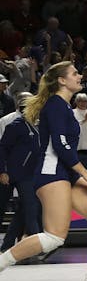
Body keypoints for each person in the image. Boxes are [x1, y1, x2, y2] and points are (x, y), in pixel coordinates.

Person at [0, 61, 87, 281]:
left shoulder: (63, 106)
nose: (79, 76)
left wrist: (77, 175)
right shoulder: (55, 105)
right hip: (51, 172)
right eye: (75, 73)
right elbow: (61, 146)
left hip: (64, 172)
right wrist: (85, 173)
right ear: (62, 80)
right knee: (54, 237)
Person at [0, 93, 41, 254]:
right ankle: (38, 244)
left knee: (24, 209)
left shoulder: (37, 127)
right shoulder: (15, 126)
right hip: (18, 173)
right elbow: (2, 148)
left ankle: (7, 245)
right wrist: (3, 171)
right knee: (31, 207)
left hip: (31, 173)